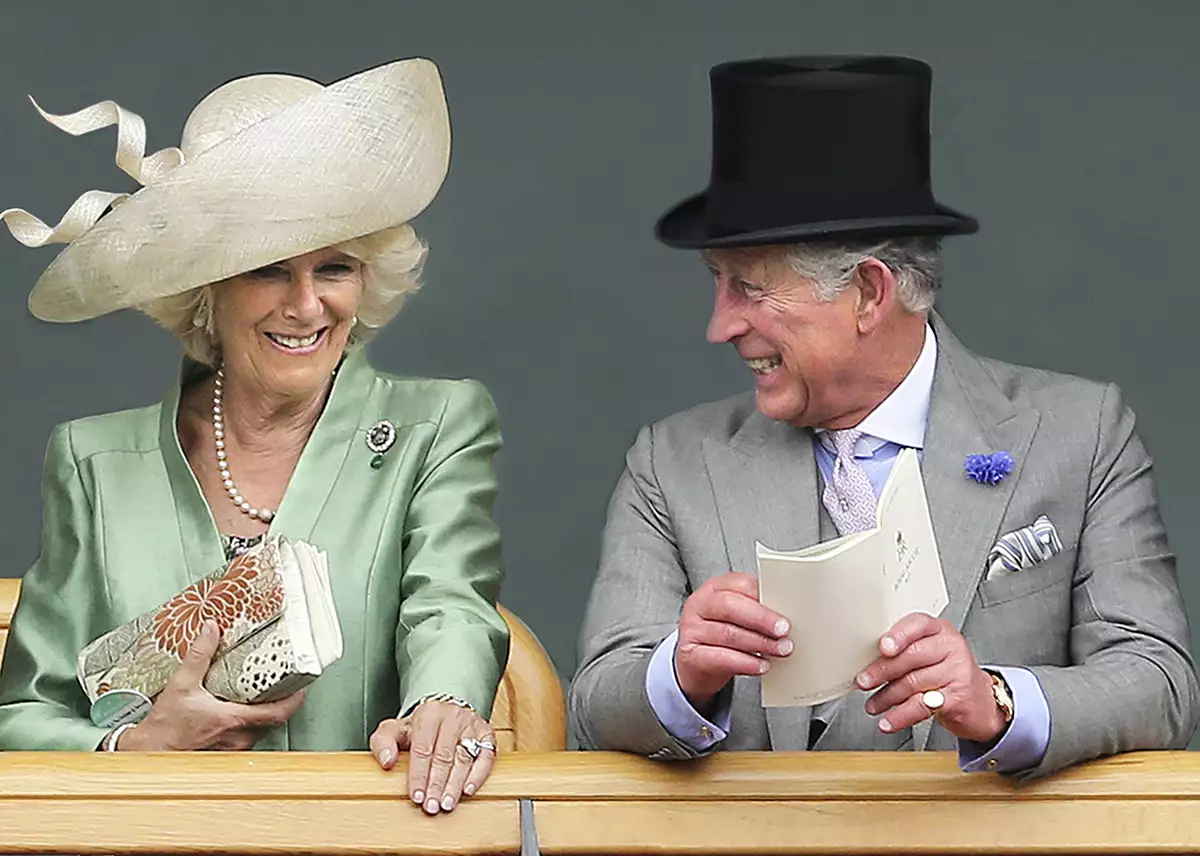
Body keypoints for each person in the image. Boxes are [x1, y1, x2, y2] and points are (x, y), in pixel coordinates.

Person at [569, 55, 1199, 779]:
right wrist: (678, 675)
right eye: (718, 282)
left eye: (749, 287)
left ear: (870, 293)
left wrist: (997, 701)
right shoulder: (671, 462)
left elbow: (1161, 684)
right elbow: (596, 703)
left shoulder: (1081, 435)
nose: (720, 325)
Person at [0, 58, 508, 814]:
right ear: (204, 288)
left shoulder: (435, 429)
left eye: (334, 267)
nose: (306, 305)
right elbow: (21, 719)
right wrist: (132, 747)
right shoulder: (93, 463)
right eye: (268, 270)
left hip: (362, 842)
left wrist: (444, 700)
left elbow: (451, 605)